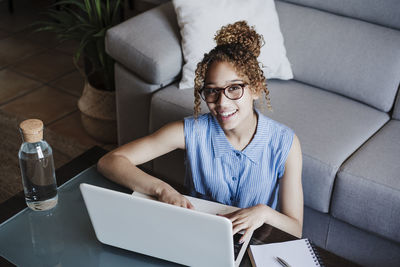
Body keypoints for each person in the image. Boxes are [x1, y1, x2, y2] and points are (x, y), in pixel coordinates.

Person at [97, 21, 303, 243]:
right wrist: (162, 189)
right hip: (195, 237)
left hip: (252, 245)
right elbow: (110, 161)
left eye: (234, 88)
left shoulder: (286, 143)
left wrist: (264, 212)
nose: (222, 102)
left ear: (255, 89)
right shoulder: (190, 132)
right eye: (212, 91)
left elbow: (295, 229)